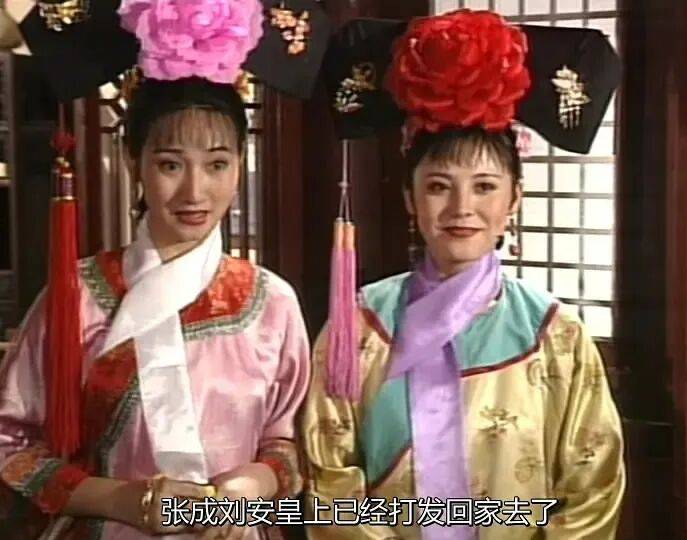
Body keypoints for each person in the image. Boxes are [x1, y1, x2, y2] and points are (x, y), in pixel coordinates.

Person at [0, 0, 331, 538]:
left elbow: (289, 444)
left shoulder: (270, 301)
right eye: (171, 164)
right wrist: (120, 498)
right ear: (133, 161)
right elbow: (11, 444)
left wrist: (253, 484)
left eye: (217, 164)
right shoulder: (75, 294)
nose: (195, 191)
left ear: (239, 165)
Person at [302, 10, 625, 539]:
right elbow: (329, 480)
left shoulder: (555, 334)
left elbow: (592, 488)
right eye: (438, 186)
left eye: (484, 186)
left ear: (514, 199)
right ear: (410, 198)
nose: (461, 209)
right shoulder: (357, 326)